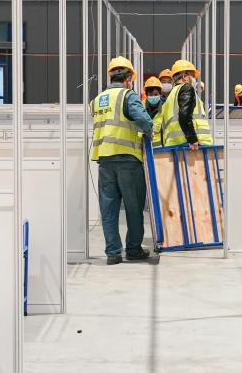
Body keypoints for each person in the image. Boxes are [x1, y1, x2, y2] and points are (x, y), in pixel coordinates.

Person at [91, 57, 153, 265]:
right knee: (134, 207)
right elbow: (143, 119)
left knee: (108, 209)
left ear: (111, 75)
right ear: (128, 78)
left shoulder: (98, 99)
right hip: (128, 159)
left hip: (105, 160)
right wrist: (150, 132)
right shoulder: (128, 95)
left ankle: (113, 253)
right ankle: (133, 250)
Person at [155, 59, 213, 149]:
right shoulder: (186, 88)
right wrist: (193, 139)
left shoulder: (170, 97)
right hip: (192, 147)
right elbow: (184, 115)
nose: (194, 79)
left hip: (174, 146)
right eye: (192, 76)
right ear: (184, 77)